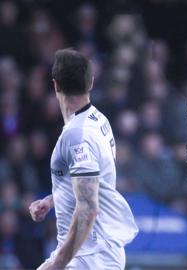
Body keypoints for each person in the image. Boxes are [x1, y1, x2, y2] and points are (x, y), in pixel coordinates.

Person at [28, 49, 138, 269]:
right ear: (91, 83)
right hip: (90, 252)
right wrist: (53, 199)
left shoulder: (77, 135)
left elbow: (88, 207)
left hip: (89, 256)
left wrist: (59, 263)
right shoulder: (98, 120)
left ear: (56, 85)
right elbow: (91, 182)